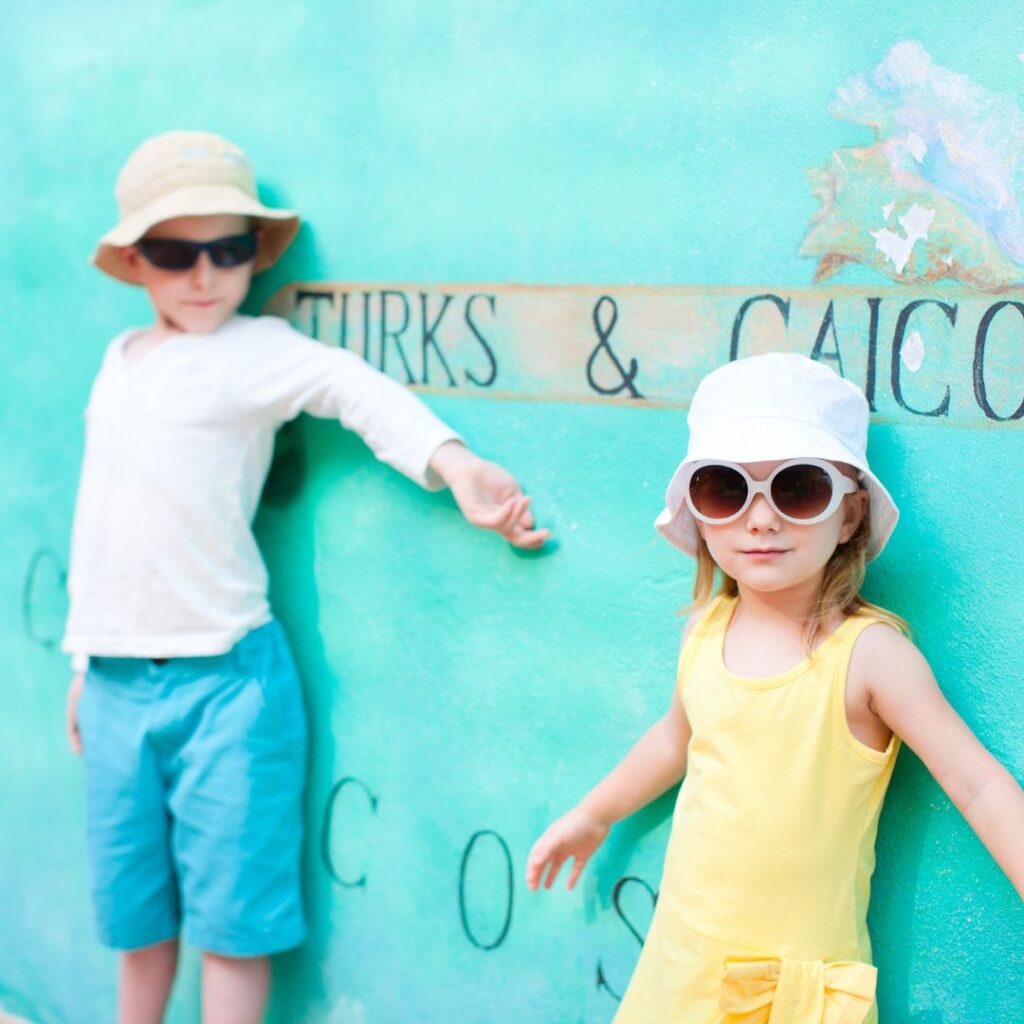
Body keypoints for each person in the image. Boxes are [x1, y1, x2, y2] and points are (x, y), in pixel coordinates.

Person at [63, 130, 550, 1024]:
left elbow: (355, 391)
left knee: (233, 927)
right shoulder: (120, 361)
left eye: (230, 249)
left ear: (256, 253)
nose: (205, 274)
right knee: (135, 920)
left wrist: (457, 465)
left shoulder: (255, 349)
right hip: (116, 684)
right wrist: (86, 664)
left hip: (228, 685)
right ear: (136, 260)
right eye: (177, 254)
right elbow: (104, 522)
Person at [526, 353, 1024, 1024]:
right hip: (681, 966)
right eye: (726, 491)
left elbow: (979, 784)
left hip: (792, 994)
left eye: (796, 490)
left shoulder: (869, 657)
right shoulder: (704, 629)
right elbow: (675, 738)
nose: (760, 520)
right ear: (699, 515)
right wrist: (594, 813)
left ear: (848, 516)